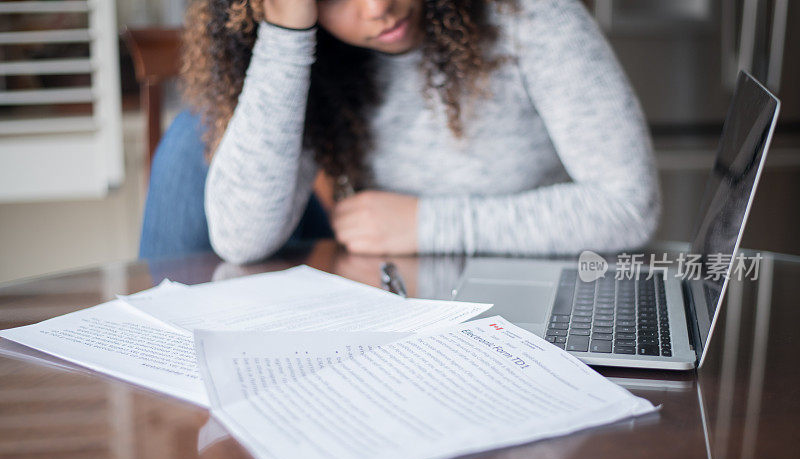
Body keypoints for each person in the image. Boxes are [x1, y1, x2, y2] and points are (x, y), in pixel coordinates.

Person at [149, 0, 659, 264]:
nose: (378, 8)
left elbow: (629, 206)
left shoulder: (528, 15)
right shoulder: (319, 53)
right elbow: (242, 239)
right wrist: (286, 35)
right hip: (394, 300)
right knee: (189, 140)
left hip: (521, 291)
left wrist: (426, 225)